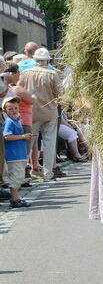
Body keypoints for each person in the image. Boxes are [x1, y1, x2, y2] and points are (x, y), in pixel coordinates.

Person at [17, 48, 61, 181]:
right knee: (49, 143)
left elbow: (19, 90)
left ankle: (21, 172)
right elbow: (60, 93)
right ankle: (48, 174)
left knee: (27, 143)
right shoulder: (52, 74)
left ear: (34, 60)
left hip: (31, 112)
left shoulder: (25, 73)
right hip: (49, 111)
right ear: (48, 60)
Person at [3, 96, 32, 208]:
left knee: (18, 177)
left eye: (15, 108)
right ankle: (14, 200)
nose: (14, 111)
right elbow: (7, 136)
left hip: (19, 154)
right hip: (14, 155)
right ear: (5, 111)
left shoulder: (16, 121)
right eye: (10, 109)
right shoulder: (9, 122)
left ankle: (16, 198)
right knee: (16, 177)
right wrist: (23, 136)